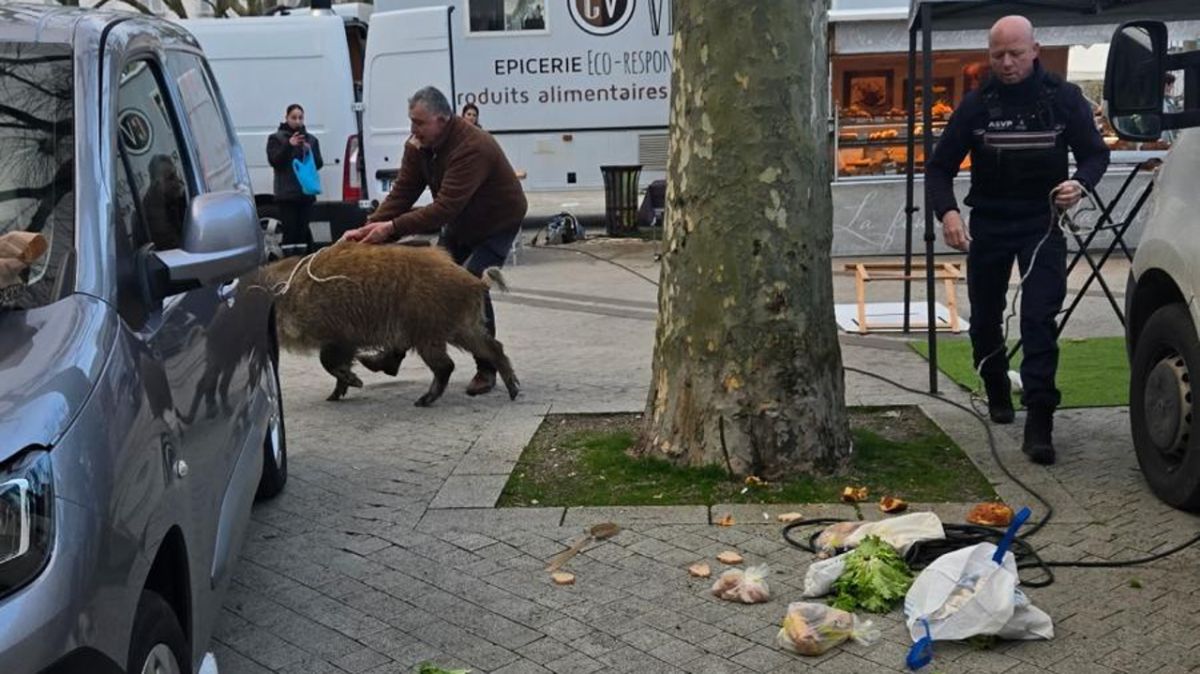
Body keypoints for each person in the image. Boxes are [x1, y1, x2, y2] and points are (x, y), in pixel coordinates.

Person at [926, 15, 1109, 466]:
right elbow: (939, 167)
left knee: (1038, 318)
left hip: (1042, 223)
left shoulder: (1064, 99)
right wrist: (948, 212)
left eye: (1014, 54)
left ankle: (1040, 418)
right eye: (996, 56)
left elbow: (1095, 152)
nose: (1006, 64)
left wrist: (1080, 184)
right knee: (986, 316)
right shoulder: (977, 104)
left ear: (1034, 51)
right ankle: (994, 387)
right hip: (989, 221)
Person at [341, 85, 527, 396]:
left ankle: (487, 367)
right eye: (411, 121)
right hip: (460, 223)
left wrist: (391, 229)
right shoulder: (419, 144)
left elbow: (444, 207)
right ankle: (393, 355)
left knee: (470, 284)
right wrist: (369, 228)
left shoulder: (472, 146)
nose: (413, 130)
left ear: (442, 119)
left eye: (419, 122)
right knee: (421, 284)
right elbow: (403, 191)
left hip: (496, 223)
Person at [267, 103, 323, 255]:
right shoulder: (276, 139)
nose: (297, 121)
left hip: (306, 193)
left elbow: (318, 164)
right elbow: (275, 161)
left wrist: (309, 152)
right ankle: (289, 263)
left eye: (300, 118)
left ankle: (302, 262)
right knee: (290, 231)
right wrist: (288, 145)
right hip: (286, 194)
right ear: (286, 118)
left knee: (303, 231)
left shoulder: (311, 140)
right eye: (294, 117)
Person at [141, 154, 186, 251]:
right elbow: (175, 247)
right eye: (171, 178)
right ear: (156, 184)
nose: (177, 181)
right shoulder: (152, 215)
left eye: (176, 175)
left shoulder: (172, 201)